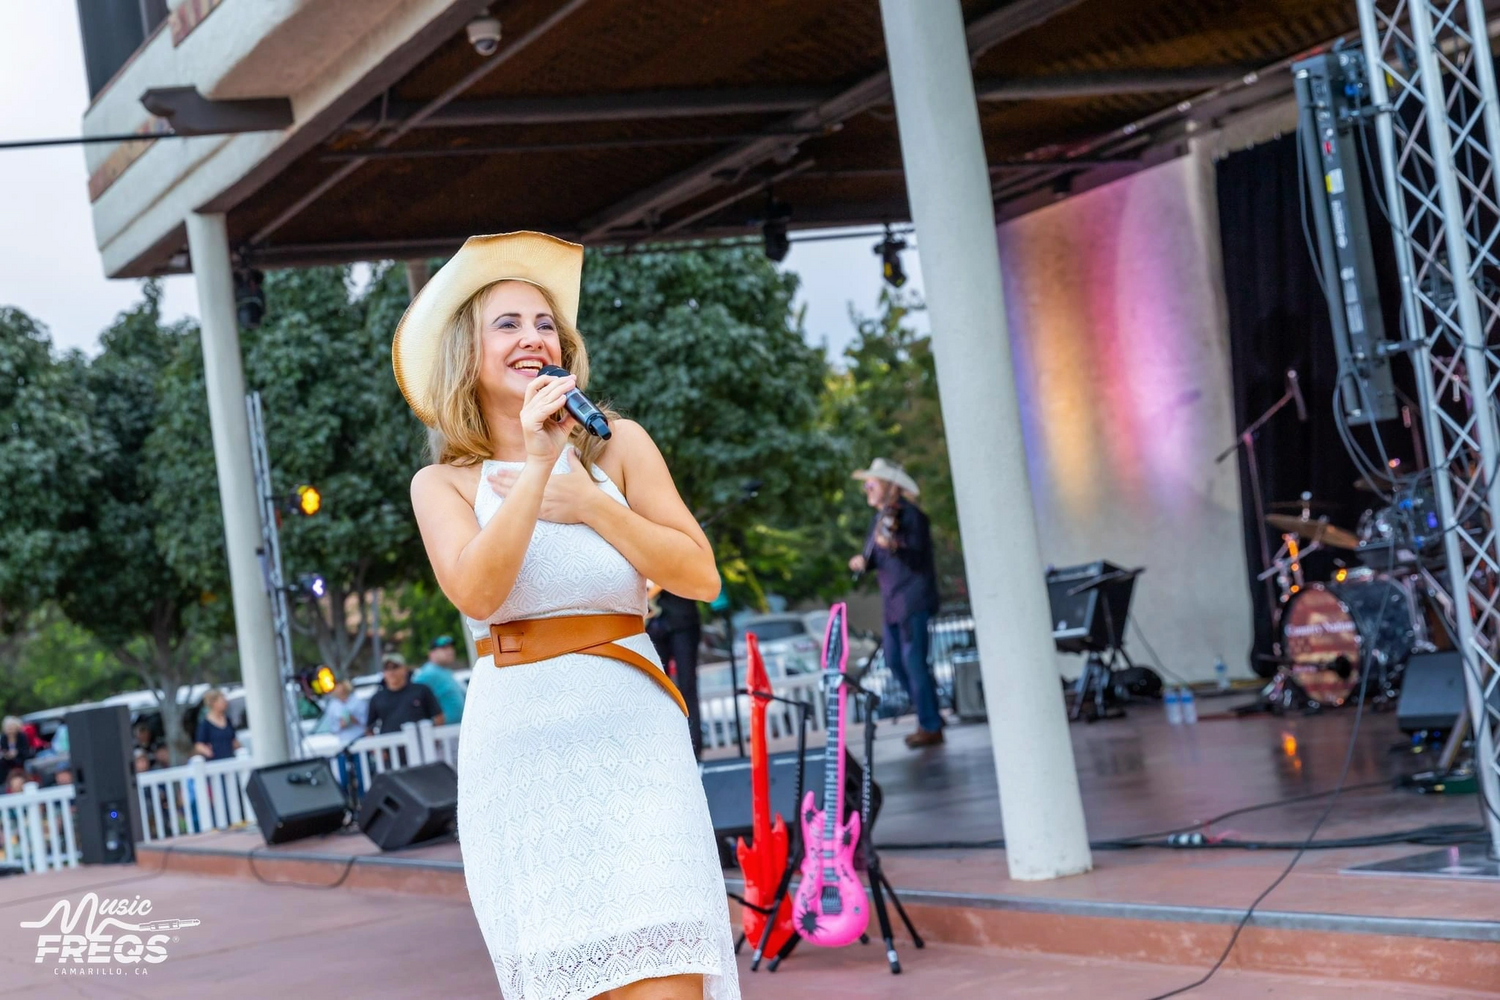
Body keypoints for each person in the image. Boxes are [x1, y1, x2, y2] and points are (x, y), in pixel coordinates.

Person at [402, 231, 737, 1000]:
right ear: (469, 353)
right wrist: (536, 467)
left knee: (668, 973)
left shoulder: (621, 449)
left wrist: (590, 502)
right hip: (522, 757)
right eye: (508, 324)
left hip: (633, 734)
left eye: (545, 323)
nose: (532, 337)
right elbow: (479, 594)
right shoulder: (442, 484)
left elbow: (699, 575)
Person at [848, 457, 945, 748]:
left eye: (871, 484)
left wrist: (895, 545)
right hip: (892, 604)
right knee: (893, 662)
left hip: (912, 600)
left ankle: (930, 724)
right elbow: (874, 558)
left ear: (889, 487)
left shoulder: (913, 517)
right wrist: (861, 562)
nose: (867, 489)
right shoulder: (878, 519)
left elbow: (917, 556)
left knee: (914, 663)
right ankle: (929, 714)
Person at [647, 589, 704, 759]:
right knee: (656, 688)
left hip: (681, 617)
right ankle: (664, 747)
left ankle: (694, 746)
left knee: (687, 685)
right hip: (651, 621)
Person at [363, 654, 444, 736]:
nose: (391, 672)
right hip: (390, 746)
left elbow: (438, 716)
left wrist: (435, 739)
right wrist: (377, 748)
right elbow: (369, 728)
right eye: (387, 669)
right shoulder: (377, 698)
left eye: (395, 667)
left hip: (422, 744)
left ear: (405, 669)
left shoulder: (421, 690)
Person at [412, 635, 467, 726]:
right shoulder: (427, 673)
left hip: (457, 729)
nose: (450, 651)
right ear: (431, 653)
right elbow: (413, 700)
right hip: (443, 733)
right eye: (444, 648)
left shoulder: (445, 671)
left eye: (450, 647)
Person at [320, 679, 369, 747]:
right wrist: (340, 725)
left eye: (343, 691)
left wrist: (354, 720)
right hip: (342, 742)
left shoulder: (358, 702)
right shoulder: (332, 706)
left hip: (360, 739)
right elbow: (331, 728)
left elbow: (367, 722)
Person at [193, 689, 240, 760]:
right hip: (215, 762)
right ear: (213, 703)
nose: (225, 703)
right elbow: (199, 745)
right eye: (222, 701)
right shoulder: (205, 724)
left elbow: (233, 740)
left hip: (230, 759)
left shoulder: (227, 720)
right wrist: (209, 752)